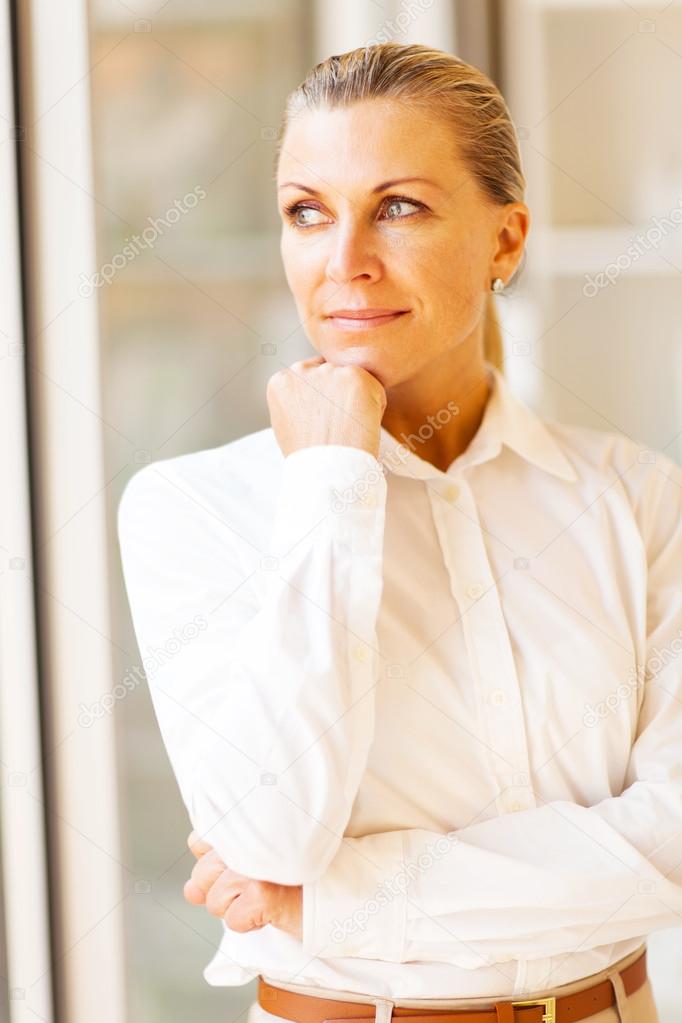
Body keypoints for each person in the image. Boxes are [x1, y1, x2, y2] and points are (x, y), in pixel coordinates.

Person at [116, 42, 681, 1023]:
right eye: (308, 212)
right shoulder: (193, 508)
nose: (344, 264)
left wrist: (330, 909)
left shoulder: (633, 498)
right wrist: (332, 482)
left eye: (400, 207)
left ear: (505, 242)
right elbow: (272, 839)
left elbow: (671, 845)